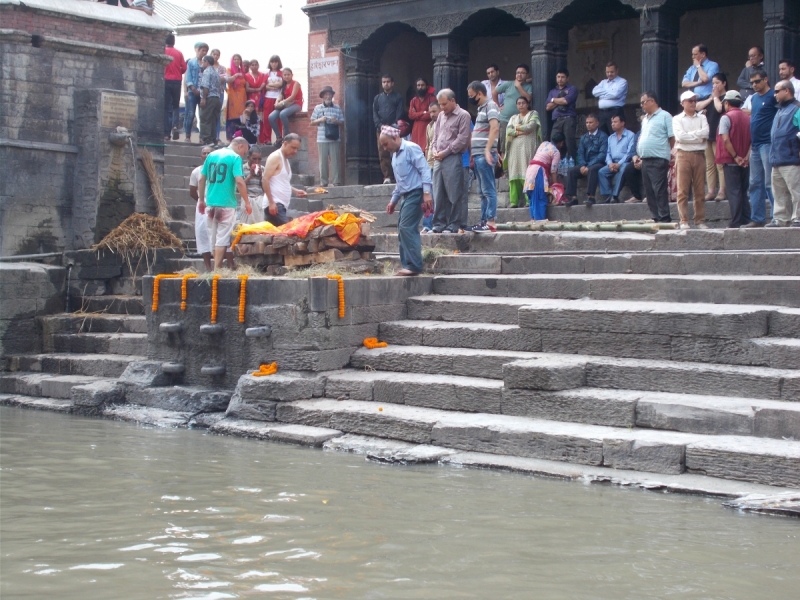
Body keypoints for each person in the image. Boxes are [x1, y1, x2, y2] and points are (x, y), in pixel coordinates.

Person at [380, 126, 433, 276]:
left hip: (417, 193)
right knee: (402, 228)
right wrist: (393, 200)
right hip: (405, 195)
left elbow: (424, 170)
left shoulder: (411, 148)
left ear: (395, 138)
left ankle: (414, 265)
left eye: (386, 144)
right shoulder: (395, 155)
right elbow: (400, 181)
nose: (385, 148)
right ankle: (407, 264)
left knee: (407, 227)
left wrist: (427, 192)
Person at [198, 138, 251, 271]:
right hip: (226, 203)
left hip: (210, 202)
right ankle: (217, 269)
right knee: (222, 238)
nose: (243, 155)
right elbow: (239, 181)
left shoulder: (211, 155)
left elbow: (201, 179)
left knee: (213, 237)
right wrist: (247, 201)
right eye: (244, 152)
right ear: (240, 146)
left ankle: (216, 267)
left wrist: (201, 200)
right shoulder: (235, 158)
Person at [431, 88, 471, 233]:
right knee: (438, 192)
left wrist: (445, 152)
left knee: (454, 193)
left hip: (453, 157)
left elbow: (462, 140)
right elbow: (435, 136)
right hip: (438, 158)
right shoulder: (441, 116)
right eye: (440, 105)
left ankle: (454, 224)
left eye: (444, 104)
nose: (442, 108)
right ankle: (439, 223)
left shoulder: (463, 115)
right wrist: (434, 150)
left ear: (453, 101)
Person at [742, 69, 777, 227]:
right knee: (755, 183)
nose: (754, 85)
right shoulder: (754, 98)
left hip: (768, 143)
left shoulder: (773, 97)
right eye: (752, 82)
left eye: (757, 81)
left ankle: (777, 217)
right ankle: (758, 218)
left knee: (770, 182)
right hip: (755, 145)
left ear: (766, 79)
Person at [633, 91, 674, 223]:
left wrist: (670, 153)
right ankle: (656, 216)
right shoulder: (645, 119)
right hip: (645, 159)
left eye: (644, 102)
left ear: (652, 101)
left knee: (659, 189)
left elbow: (672, 137)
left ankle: (664, 217)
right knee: (649, 191)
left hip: (658, 158)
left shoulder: (665, 116)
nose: (642, 105)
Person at [672, 90, 710, 229]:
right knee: (682, 190)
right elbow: (680, 137)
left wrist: (690, 136)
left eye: (694, 100)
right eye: (690, 101)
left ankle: (699, 220)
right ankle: (684, 220)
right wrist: (697, 137)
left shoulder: (702, 118)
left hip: (699, 154)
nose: (693, 103)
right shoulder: (677, 119)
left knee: (699, 190)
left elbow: (706, 133)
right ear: (682, 103)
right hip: (683, 155)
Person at [467, 81, 501, 232]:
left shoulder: (490, 106)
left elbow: (495, 128)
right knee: (482, 192)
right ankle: (483, 221)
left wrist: (488, 150)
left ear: (479, 93)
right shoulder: (482, 108)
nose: (471, 99)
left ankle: (490, 221)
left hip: (484, 154)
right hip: (479, 154)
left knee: (488, 189)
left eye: (472, 96)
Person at [766, 81, 800, 227]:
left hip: (792, 158)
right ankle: (781, 218)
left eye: (777, 91)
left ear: (787, 91)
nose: (774, 95)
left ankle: (797, 217)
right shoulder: (779, 110)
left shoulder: (797, 108)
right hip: (777, 159)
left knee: (796, 191)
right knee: (779, 192)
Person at [716, 90, 752, 228]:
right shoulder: (747, 118)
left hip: (731, 160)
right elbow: (751, 140)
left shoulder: (726, 117)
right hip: (745, 160)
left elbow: (725, 139)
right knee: (743, 191)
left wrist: (736, 156)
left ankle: (736, 221)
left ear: (726, 103)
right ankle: (746, 218)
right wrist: (746, 157)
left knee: (734, 191)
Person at [262, 133, 308, 226]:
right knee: (289, 232)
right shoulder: (275, 157)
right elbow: (265, 179)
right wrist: (271, 202)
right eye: (293, 147)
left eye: (297, 149)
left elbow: (281, 181)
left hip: (281, 205)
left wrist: (295, 191)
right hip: (275, 204)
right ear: (285, 143)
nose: (295, 151)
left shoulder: (285, 159)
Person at [697, 73, 728, 201]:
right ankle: (710, 190)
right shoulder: (711, 98)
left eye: (717, 83)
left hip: (719, 134)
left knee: (720, 163)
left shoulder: (726, 97)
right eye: (713, 83)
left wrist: (715, 98)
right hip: (708, 135)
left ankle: (722, 190)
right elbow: (697, 107)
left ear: (724, 83)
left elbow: (720, 109)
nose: (714, 85)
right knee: (709, 164)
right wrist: (711, 98)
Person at [564, 114, 608, 207]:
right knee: (571, 171)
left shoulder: (603, 136)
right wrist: (583, 165)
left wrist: (589, 166)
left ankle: (591, 197)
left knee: (593, 169)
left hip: (598, 163)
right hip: (585, 164)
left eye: (591, 122)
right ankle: (573, 198)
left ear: (597, 123)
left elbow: (602, 154)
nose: (588, 124)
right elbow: (580, 153)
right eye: (587, 122)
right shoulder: (583, 137)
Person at [505, 97, 541, 208]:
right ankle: (514, 201)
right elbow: (508, 131)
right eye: (519, 103)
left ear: (527, 104)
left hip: (528, 148)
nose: (521, 105)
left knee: (527, 172)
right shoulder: (513, 117)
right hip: (514, 150)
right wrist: (520, 131)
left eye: (523, 103)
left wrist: (516, 129)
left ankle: (529, 200)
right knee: (514, 173)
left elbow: (530, 127)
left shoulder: (533, 114)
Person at [524, 133, 566, 221]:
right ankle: (539, 220)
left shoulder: (544, 143)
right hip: (538, 172)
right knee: (540, 197)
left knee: (533, 198)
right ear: (561, 143)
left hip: (530, 169)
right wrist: (555, 187)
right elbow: (553, 171)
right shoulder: (556, 152)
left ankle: (533, 219)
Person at [493, 64, 532, 156]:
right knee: (503, 146)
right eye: (518, 73)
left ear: (527, 75)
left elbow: (528, 98)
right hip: (505, 119)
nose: (519, 75)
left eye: (522, 73)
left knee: (517, 145)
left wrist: (519, 87)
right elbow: (495, 92)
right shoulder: (508, 84)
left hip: (520, 121)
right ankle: (504, 169)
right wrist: (497, 106)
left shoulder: (528, 86)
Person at [373, 75, 404, 183]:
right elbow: (375, 114)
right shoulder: (377, 98)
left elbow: (400, 113)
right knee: (383, 152)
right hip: (381, 130)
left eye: (388, 82)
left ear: (392, 83)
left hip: (394, 129)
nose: (386, 84)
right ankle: (387, 176)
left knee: (397, 151)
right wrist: (380, 125)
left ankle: (399, 176)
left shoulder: (398, 97)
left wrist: (393, 125)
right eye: (384, 82)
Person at [310, 86, 344, 187]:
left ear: (332, 96)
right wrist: (321, 120)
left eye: (329, 94)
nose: (328, 96)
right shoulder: (317, 108)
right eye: (326, 94)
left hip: (335, 138)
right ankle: (323, 182)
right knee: (323, 161)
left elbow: (342, 122)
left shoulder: (337, 108)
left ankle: (336, 181)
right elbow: (312, 122)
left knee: (335, 161)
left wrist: (336, 121)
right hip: (321, 139)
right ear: (323, 96)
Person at [598, 114, 635, 204]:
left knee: (623, 169)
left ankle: (615, 195)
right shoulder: (611, 137)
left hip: (625, 162)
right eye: (612, 122)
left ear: (622, 123)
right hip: (613, 162)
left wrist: (619, 164)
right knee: (601, 172)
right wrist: (610, 163)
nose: (612, 124)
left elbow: (629, 153)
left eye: (615, 122)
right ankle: (609, 195)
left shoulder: (630, 135)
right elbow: (608, 153)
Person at [189, 145, 214, 271]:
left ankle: (224, 265)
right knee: (203, 233)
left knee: (217, 234)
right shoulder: (196, 172)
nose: (206, 155)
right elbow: (193, 191)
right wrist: (201, 201)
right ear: (201, 156)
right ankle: (208, 267)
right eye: (204, 153)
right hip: (202, 206)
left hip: (216, 203)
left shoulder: (217, 169)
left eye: (209, 153)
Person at [546, 68, 578, 160]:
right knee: (553, 142)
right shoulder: (552, 91)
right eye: (558, 77)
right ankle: (555, 167)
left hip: (568, 118)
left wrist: (553, 100)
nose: (560, 79)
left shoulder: (572, 89)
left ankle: (573, 166)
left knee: (569, 143)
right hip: (557, 120)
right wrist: (560, 97)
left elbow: (565, 101)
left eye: (563, 77)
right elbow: (548, 107)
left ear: (567, 78)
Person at [268, 68, 303, 144]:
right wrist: (277, 102)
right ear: (282, 76)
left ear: (292, 75)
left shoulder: (296, 83)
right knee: (271, 117)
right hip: (286, 105)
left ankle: (287, 135)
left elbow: (292, 96)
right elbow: (280, 95)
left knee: (283, 114)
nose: (286, 76)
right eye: (285, 75)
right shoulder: (283, 84)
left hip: (296, 104)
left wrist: (282, 103)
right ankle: (278, 137)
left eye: (288, 75)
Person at [592, 62, 628, 135]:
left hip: (615, 112)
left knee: (615, 135)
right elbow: (594, 92)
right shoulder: (603, 82)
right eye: (607, 72)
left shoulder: (622, 82)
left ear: (617, 71)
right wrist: (609, 92)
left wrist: (602, 94)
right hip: (602, 113)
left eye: (612, 72)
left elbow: (615, 94)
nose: (609, 74)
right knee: (602, 136)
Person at [183, 42, 208, 143]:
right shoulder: (191, 62)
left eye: (206, 51)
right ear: (198, 50)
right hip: (192, 92)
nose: (204, 52)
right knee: (190, 113)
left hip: (202, 93)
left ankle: (201, 137)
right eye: (203, 50)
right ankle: (187, 136)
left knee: (202, 115)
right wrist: (192, 89)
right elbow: (188, 77)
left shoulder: (206, 63)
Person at [163, 34, 186, 142]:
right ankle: (175, 125)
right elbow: (184, 68)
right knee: (175, 105)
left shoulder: (163, 51)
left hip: (166, 80)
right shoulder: (179, 53)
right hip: (177, 81)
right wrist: (178, 71)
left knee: (167, 107)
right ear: (174, 41)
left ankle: (167, 134)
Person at [199, 55, 222, 145]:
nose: (202, 63)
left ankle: (206, 139)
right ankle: (213, 138)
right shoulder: (216, 72)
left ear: (207, 62)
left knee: (205, 118)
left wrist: (203, 98)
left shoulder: (207, 72)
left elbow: (205, 86)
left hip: (209, 97)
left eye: (203, 62)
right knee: (213, 119)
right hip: (217, 98)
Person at [239, 147, 266, 224]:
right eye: (254, 159)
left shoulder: (263, 169)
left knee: (259, 224)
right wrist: (250, 175)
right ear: (248, 157)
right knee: (245, 225)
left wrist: (261, 176)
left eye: (259, 159)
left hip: (260, 199)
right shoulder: (242, 168)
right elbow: (239, 187)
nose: (257, 161)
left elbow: (265, 189)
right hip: (247, 199)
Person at [408, 78, 437, 150]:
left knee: (427, 149)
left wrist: (417, 114)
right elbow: (411, 115)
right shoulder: (413, 100)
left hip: (428, 127)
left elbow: (431, 114)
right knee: (416, 150)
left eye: (422, 85)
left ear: (427, 86)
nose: (420, 87)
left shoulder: (432, 99)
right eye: (418, 85)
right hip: (416, 129)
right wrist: (423, 112)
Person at [261, 56, 284, 144]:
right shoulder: (266, 74)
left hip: (278, 99)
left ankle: (279, 138)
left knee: (278, 119)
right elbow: (265, 86)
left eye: (276, 62)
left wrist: (272, 86)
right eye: (272, 62)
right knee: (267, 119)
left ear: (278, 63)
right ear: (270, 63)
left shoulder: (282, 73)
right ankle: (267, 139)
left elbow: (282, 85)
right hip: (268, 98)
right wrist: (276, 85)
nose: (274, 64)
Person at [225, 54, 247, 141]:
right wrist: (236, 75)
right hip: (233, 96)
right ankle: (231, 138)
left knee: (242, 117)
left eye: (238, 59)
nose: (237, 61)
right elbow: (227, 80)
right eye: (235, 59)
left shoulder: (243, 71)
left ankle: (241, 138)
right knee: (233, 117)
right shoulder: (229, 69)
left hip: (242, 96)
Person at [209, 49, 227, 142]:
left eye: (217, 55)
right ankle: (208, 136)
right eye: (214, 54)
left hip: (219, 93)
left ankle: (216, 136)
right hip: (208, 94)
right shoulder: (207, 66)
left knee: (217, 114)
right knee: (209, 115)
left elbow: (224, 80)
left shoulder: (222, 68)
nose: (215, 56)